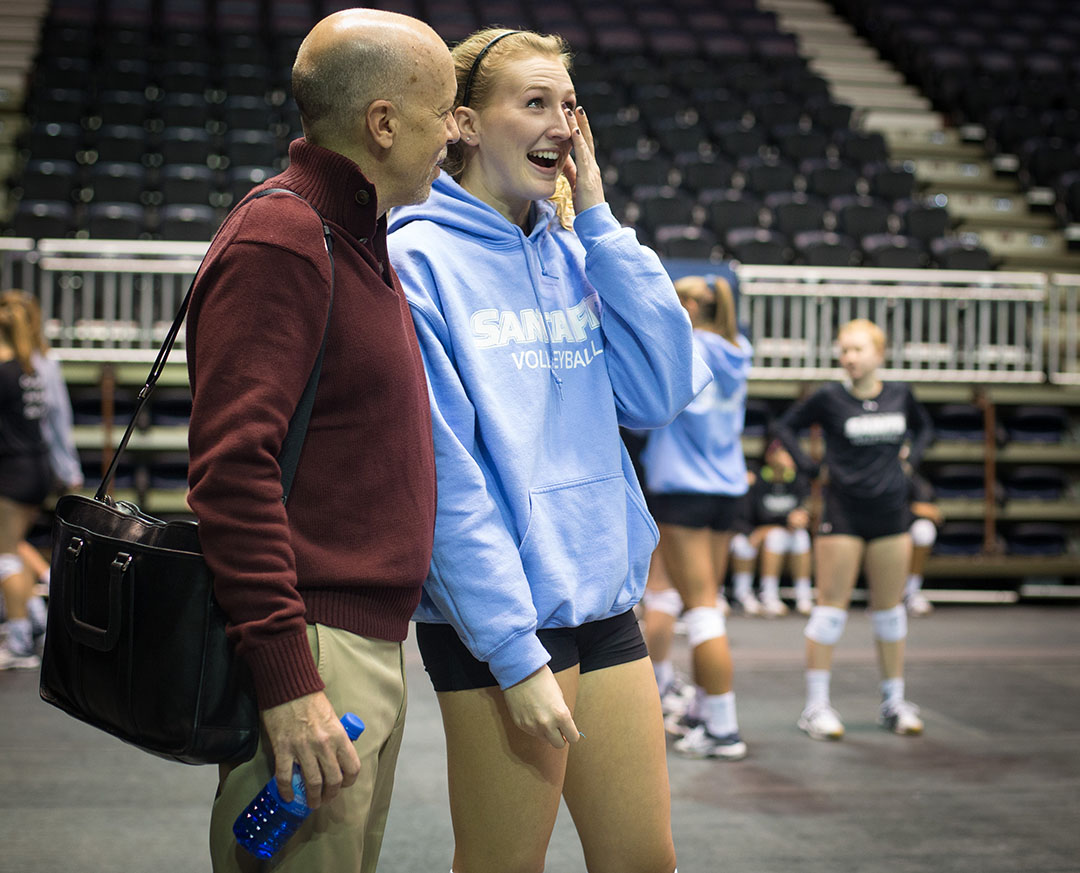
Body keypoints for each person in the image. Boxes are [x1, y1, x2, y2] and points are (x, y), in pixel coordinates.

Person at [387, 28, 708, 873]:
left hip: (602, 602)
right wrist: (513, 650)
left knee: (644, 860)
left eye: (568, 105)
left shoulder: (575, 249)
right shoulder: (415, 259)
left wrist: (598, 218)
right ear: (462, 123)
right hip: (500, 624)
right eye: (534, 103)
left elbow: (666, 389)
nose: (562, 125)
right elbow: (446, 478)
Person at [184, 10, 458, 872]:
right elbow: (231, 471)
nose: (455, 131)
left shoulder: (351, 238)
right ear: (383, 123)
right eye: (442, 110)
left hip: (355, 647)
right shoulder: (286, 239)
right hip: (314, 652)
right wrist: (288, 677)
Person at [772, 318, 933, 741]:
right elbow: (783, 427)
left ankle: (893, 701)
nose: (849, 357)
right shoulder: (828, 397)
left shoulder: (900, 394)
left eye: (858, 349)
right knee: (829, 611)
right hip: (842, 514)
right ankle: (816, 707)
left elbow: (925, 427)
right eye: (844, 350)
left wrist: (910, 461)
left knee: (890, 612)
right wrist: (810, 468)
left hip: (890, 514)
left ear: (879, 354)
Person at [639, 274, 752, 761]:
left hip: (683, 490)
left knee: (702, 609)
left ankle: (724, 727)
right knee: (693, 599)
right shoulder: (738, 349)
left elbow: (645, 408)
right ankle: (704, 712)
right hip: (727, 492)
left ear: (688, 304)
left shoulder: (685, 347)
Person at [0, 292, 51, 670]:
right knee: (14, 544)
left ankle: (18, 642)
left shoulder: (3, 371)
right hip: (35, 467)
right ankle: (37, 617)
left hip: (15, 472)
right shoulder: (27, 368)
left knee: (4, 555)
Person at [729, 440, 813, 617]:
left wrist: (802, 516)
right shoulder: (756, 478)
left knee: (799, 537)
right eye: (783, 452)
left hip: (781, 532)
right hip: (751, 532)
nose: (788, 458)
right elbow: (747, 515)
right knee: (746, 542)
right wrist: (761, 530)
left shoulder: (798, 479)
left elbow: (805, 509)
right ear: (770, 456)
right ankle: (750, 594)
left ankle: (803, 596)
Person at [905, 473, 942, 616]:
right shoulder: (873, 470)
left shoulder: (911, 476)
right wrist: (913, 509)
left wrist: (912, 510)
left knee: (924, 531)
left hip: (902, 524)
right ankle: (881, 596)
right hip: (876, 528)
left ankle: (911, 592)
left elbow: (932, 512)